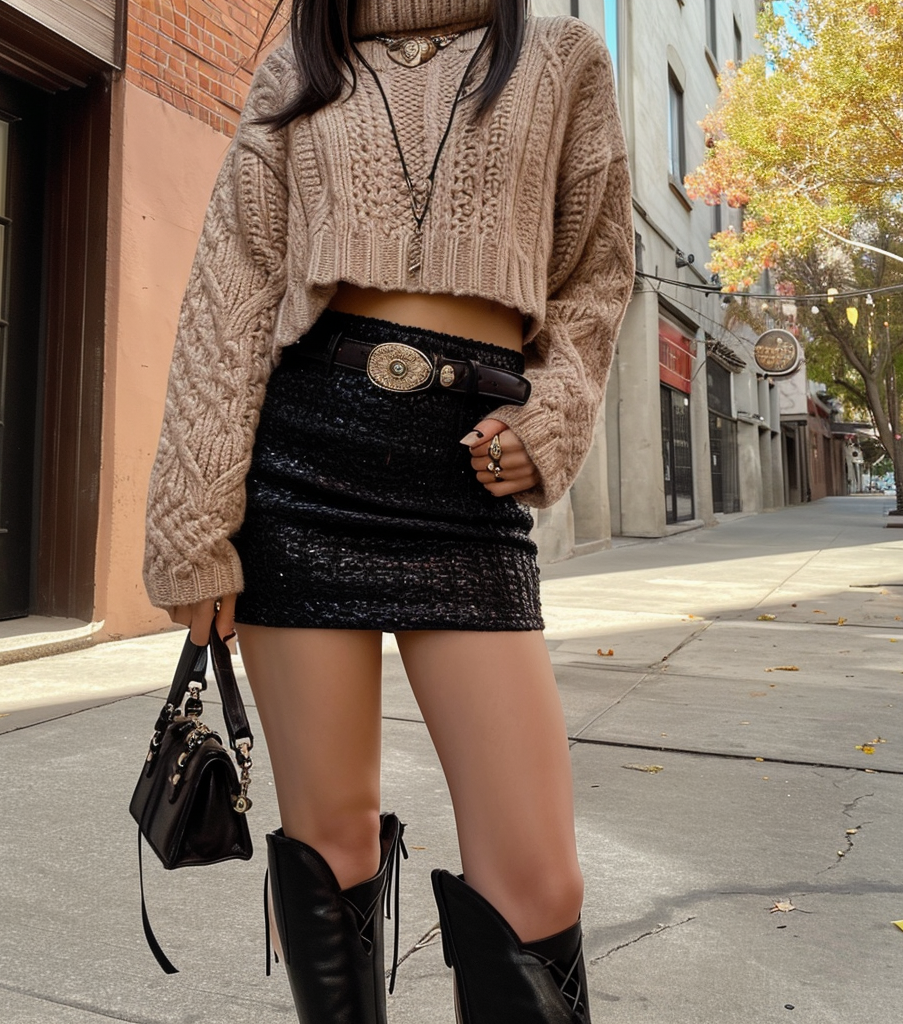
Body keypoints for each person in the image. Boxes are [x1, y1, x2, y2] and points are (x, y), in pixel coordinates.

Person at [142, 0, 635, 1019]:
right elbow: (230, 293)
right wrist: (193, 524)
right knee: (328, 844)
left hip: (470, 475)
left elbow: (595, 277)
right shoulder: (298, 65)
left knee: (539, 881)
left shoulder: (559, 56)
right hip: (299, 468)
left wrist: (552, 422)